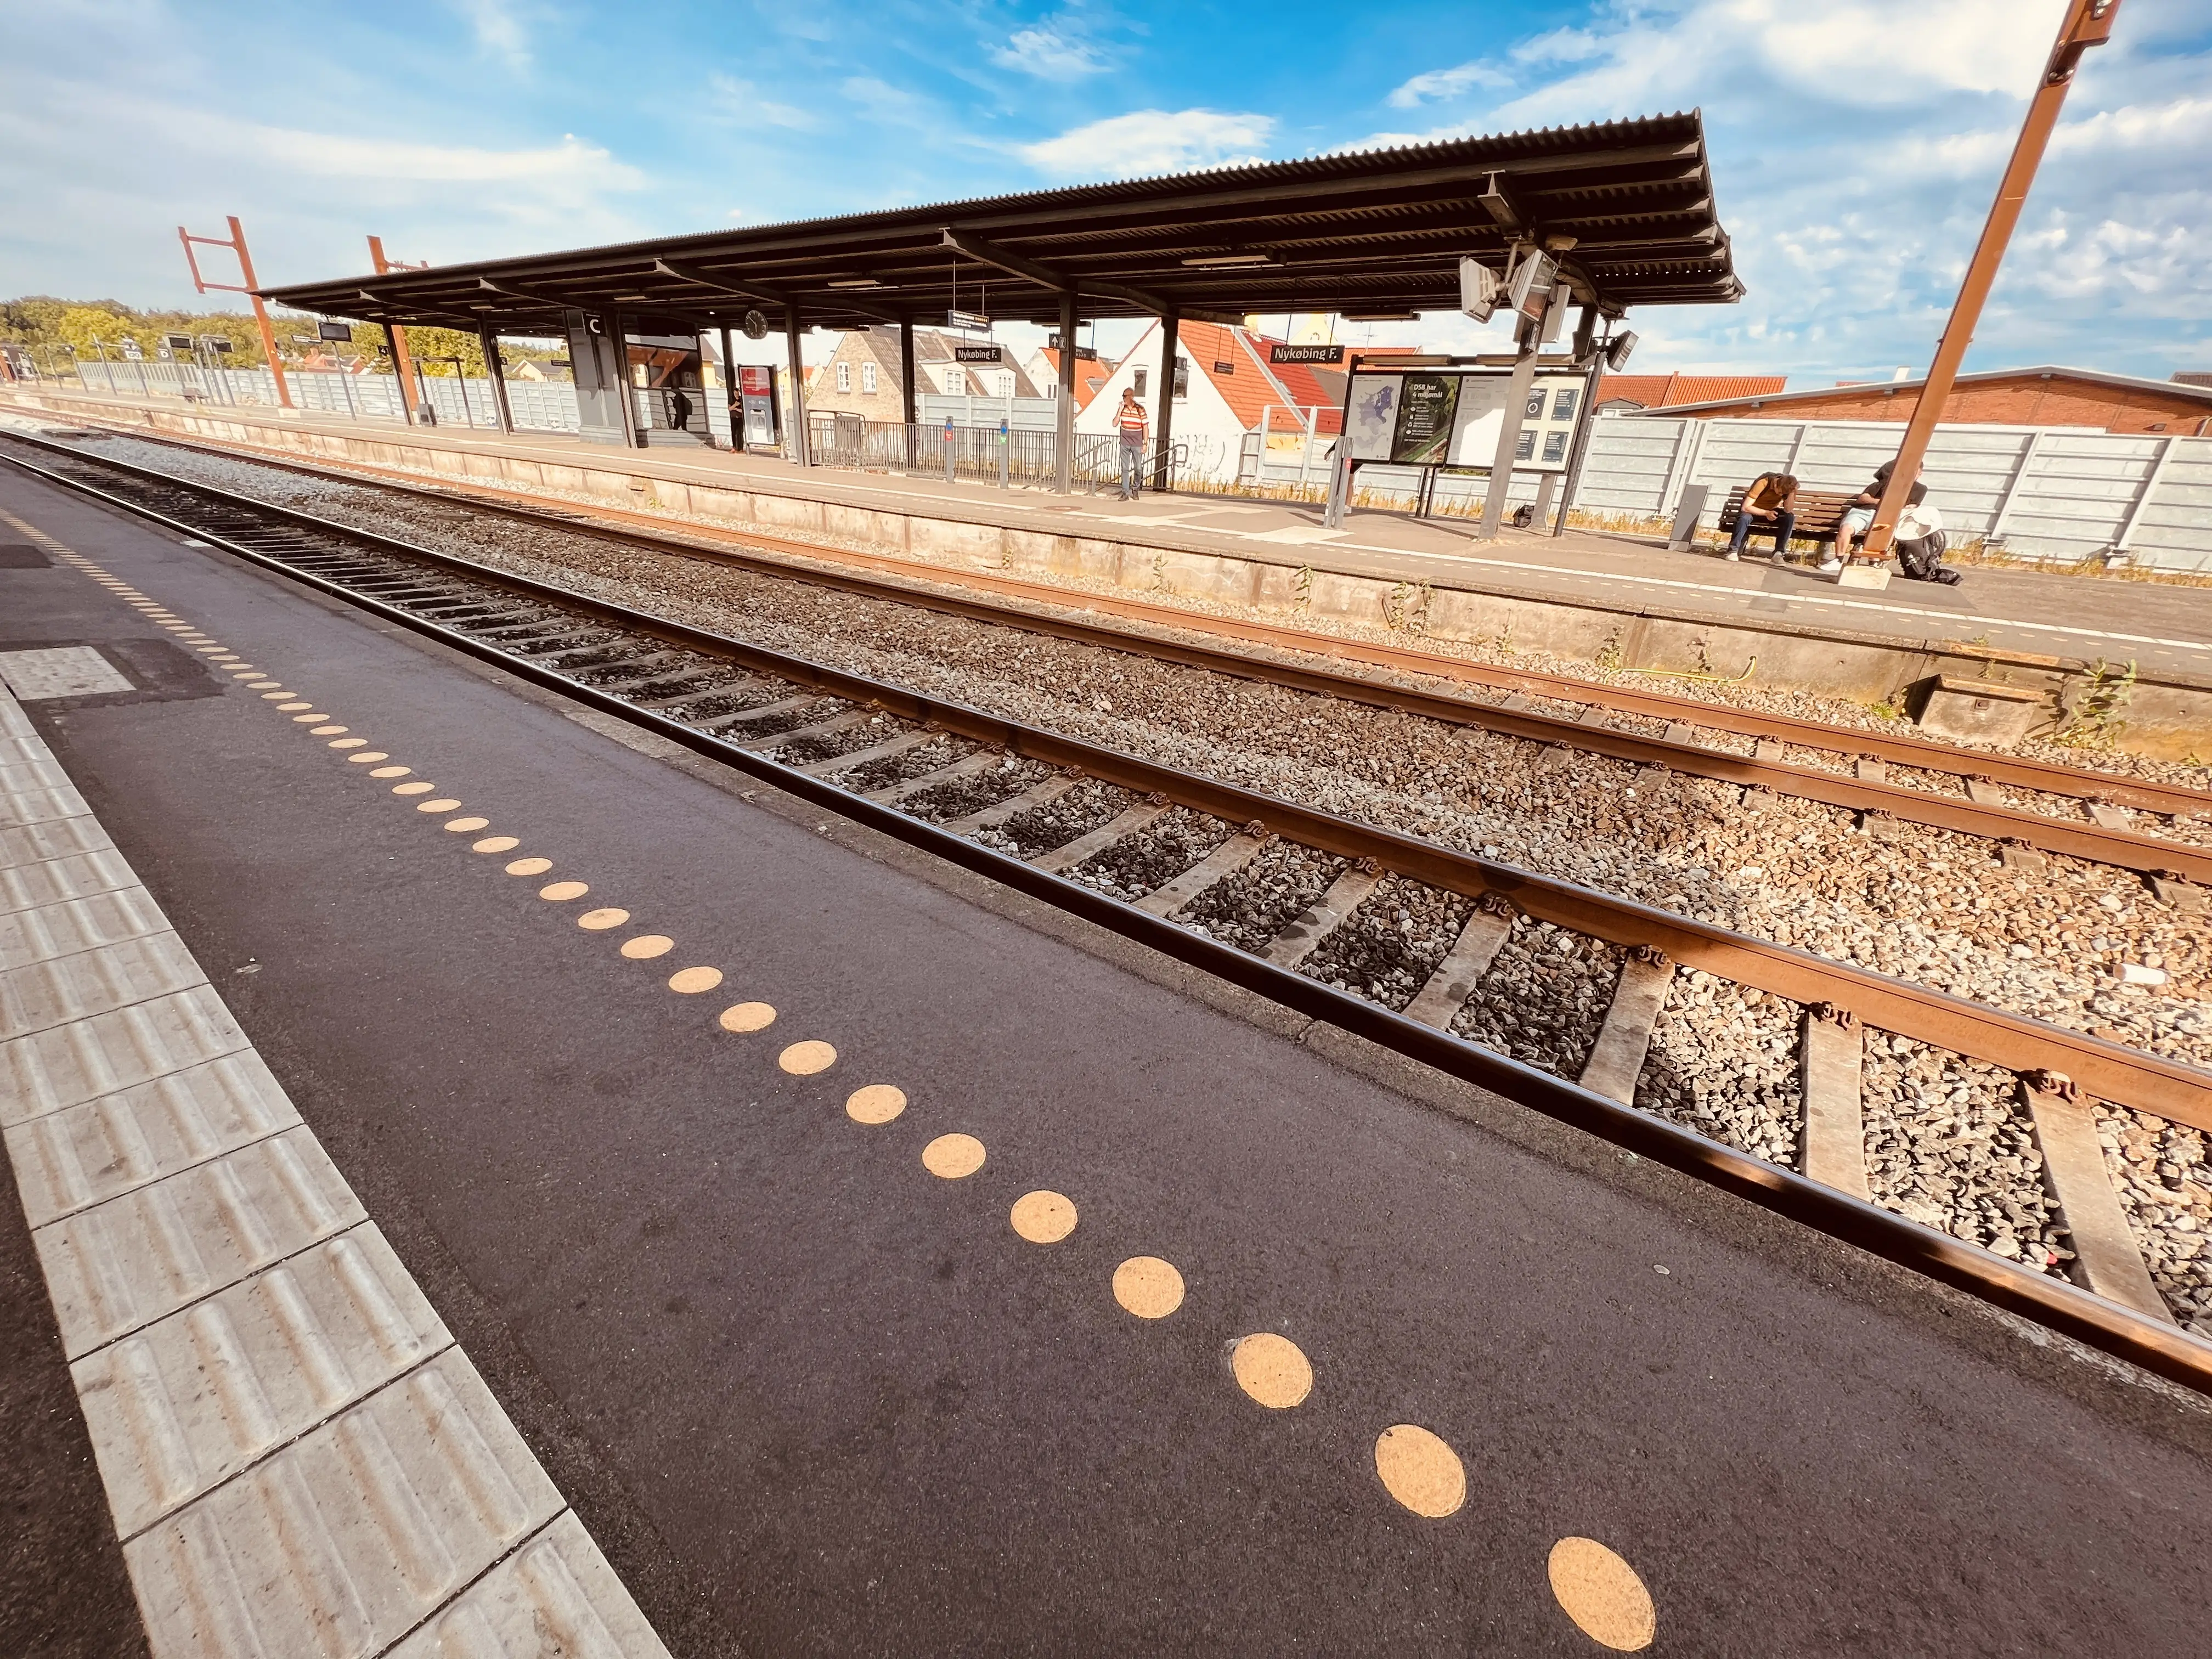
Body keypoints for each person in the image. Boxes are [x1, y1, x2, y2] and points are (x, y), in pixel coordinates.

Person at [1724, 471, 1799, 562]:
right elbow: (1746, 508)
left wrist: (1792, 492)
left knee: (1789, 518)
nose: (1780, 495)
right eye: (1780, 492)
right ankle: (1733, 551)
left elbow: (1788, 510)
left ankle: (1779, 554)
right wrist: (1766, 513)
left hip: (1770, 511)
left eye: (1783, 494)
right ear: (1776, 485)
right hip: (1753, 511)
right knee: (1744, 518)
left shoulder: (1785, 490)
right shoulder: (1763, 483)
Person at [1115, 388, 1149, 500]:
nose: (1123, 398)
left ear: (1131, 397)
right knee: (1125, 468)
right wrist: (1119, 411)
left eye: (1125, 396)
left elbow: (1145, 426)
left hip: (1137, 443)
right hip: (1125, 442)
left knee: (1138, 468)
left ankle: (1135, 488)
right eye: (1123, 396)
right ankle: (1125, 492)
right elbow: (1115, 423)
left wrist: (1145, 443)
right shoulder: (1122, 409)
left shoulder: (1140, 409)